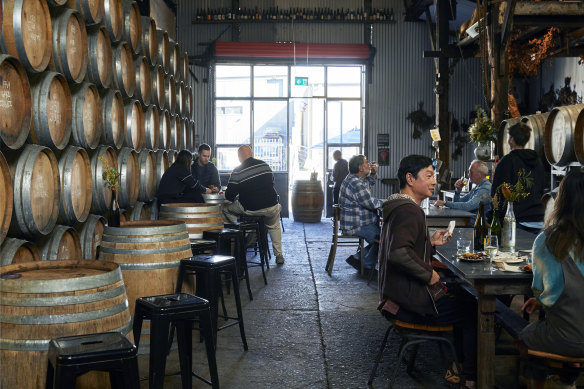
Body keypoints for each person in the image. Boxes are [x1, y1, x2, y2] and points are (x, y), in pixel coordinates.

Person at [378, 154, 477, 388]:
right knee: (474, 310)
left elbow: (402, 246)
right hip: (408, 302)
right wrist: (429, 274)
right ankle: (471, 377)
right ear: (410, 179)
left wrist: (429, 242)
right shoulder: (409, 211)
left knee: (463, 298)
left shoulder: (399, 205)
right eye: (429, 176)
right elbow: (398, 253)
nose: (434, 182)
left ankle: (457, 365)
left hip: (395, 296)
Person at [517, 168, 584, 386]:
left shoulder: (548, 240)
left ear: (561, 200)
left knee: (524, 335)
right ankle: (568, 379)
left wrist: (541, 299)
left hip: (568, 338)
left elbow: (542, 292)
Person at [222, 145, 285, 264]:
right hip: (272, 206)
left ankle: (245, 231)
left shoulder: (237, 170)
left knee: (225, 208)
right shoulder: (264, 165)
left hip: (251, 209)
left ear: (239, 156)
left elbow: (229, 195)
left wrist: (238, 195)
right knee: (274, 226)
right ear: (251, 153)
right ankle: (279, 255)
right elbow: (271, 183)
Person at [491, 122, 545, 233]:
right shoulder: (538, 161)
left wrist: (497, 218)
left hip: (516, 220)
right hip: (538, 219)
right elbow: (542, 187)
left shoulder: (507, 161)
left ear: (511, 139)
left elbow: (498, 193)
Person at [339, 155, 383, 271]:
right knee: (385, 238)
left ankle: (358, 257)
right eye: (366, 163)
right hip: (357, 226)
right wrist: (392, 200)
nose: (369, 164)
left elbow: (368, 184)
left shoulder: (354, 178)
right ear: (360, 168)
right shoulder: (356, 183)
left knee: (382, 236)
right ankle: (367, 266)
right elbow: (372, 203)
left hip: (357, 223)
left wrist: (373, 173)